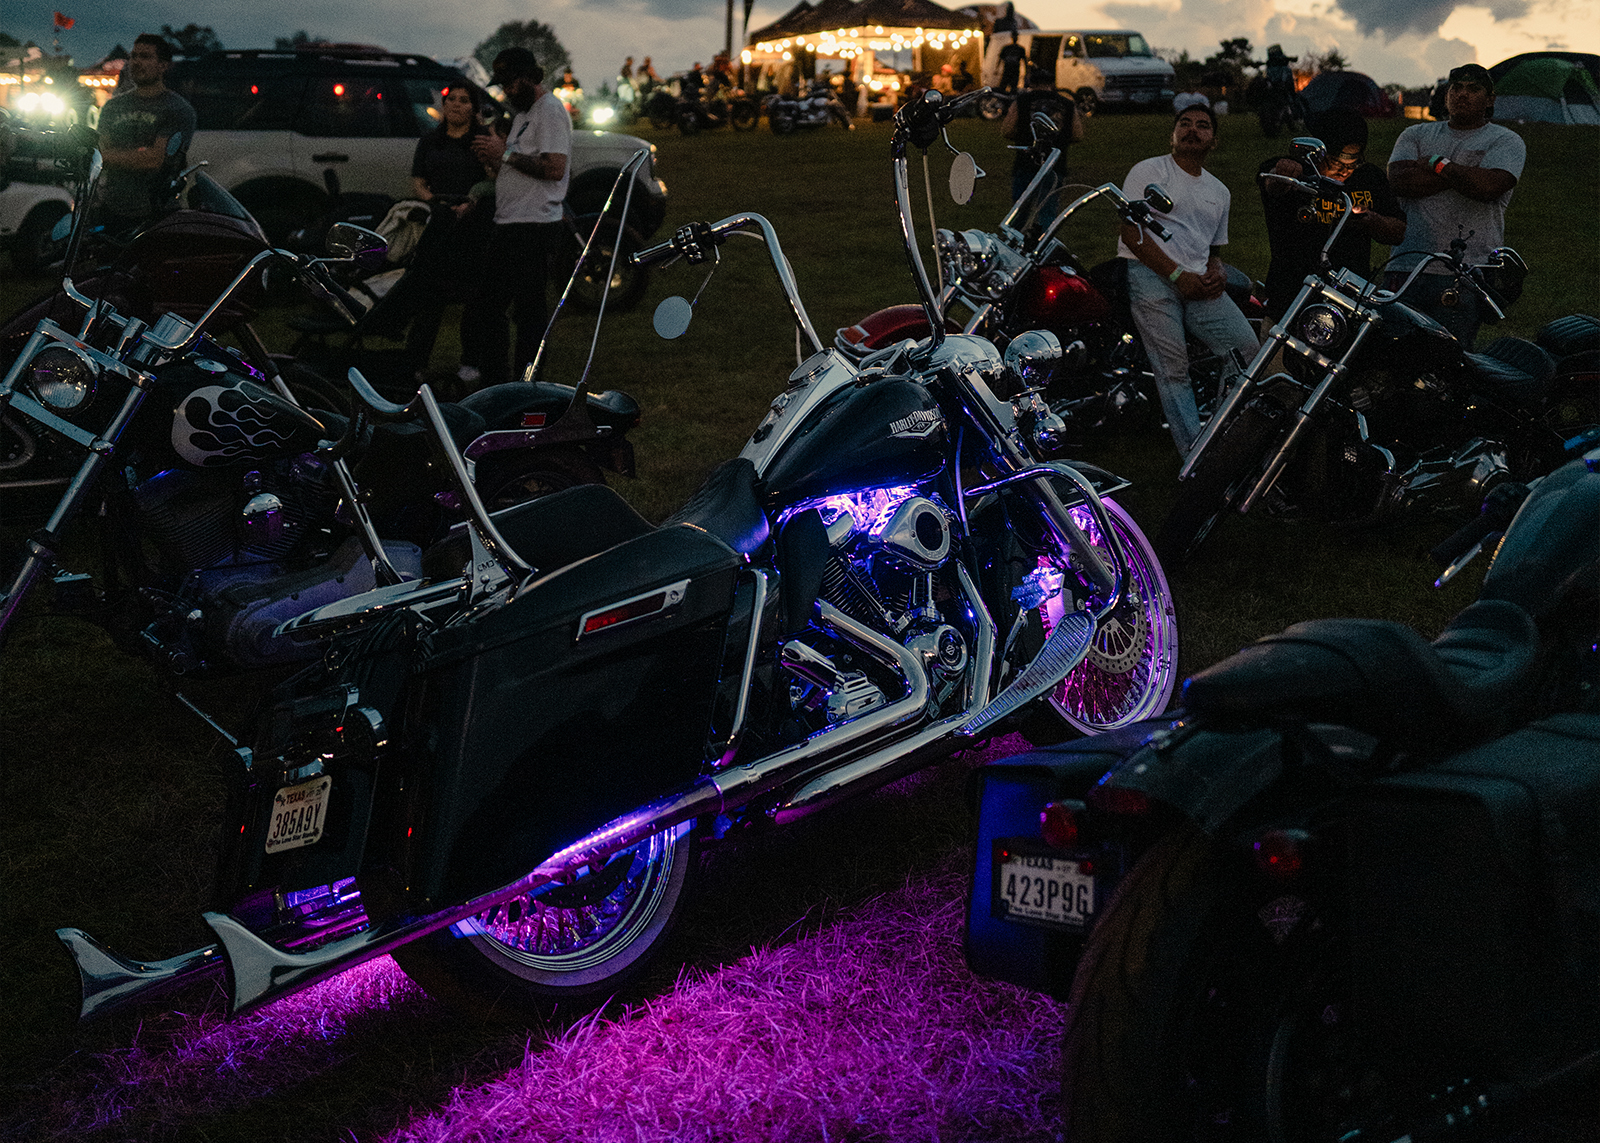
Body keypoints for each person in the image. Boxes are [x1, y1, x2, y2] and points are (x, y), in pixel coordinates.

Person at [1117, 103, 1260, 458]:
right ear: (1173, 134)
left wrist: (1217, 268)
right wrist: (1177, 275)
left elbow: (1214, 247)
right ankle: (1195, 458)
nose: (1192, 129)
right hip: (1150, 274)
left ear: (1214, 141)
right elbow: (1131, 233)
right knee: (1173, 368)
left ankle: (1219, 434)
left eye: (1202, 125)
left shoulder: (1219, 191)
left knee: (1247, 350)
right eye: (1184, 123)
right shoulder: (1148, 171)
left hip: (1199, 283)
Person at [1385, 62, 1525, 348]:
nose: (1462, 94)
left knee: (1449, 358)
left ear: (1490, 99)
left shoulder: (1506, 140)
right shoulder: (1415, 134)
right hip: (1406, 265)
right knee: (1390, 354)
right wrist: (1466, 173)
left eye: (1473, 89)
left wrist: (1437, 163)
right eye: (1456, 88)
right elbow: (1400, 182)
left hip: (1466, 273)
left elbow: (1488, 188)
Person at [460, 48, 571, 388]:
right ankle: (497, 379)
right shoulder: (524, 114)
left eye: (511, 83)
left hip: (534, 225)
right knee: (489, 305)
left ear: (529, 77)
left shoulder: (550, 111)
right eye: (503, 84)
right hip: (510, 221)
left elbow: (554, 168)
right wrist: (493, 160)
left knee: (527, 311)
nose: (507, 91)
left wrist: (504, 154)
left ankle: (526, 383)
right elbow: (516, 164)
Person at [1259, 108, 1406, 321]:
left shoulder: (1369, 178)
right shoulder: (1297, 173)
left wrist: (1370, 220)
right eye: (1335, 163)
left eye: (1353, 163)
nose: (1345, 171)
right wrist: (1284, 173)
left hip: (1348, 301)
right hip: (1291, 299)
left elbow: (1398, 231)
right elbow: (1272, 184)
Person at [402, 83, 493, 376]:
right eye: (451, 99)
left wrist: (471, 202)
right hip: (439, 223)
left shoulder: (482, 140)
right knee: (430, 294)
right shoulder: (430, 141)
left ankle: (471, 362)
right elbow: (418, 181)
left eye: (464, 100)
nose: (456, 104)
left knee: (475, 296)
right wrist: (434, 202)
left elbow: (493, 177)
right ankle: (416, 363)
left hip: (474, 224)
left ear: (474, 108)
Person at [95, 33, 196, 227]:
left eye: (146, 57)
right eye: (134, 56)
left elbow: (154, 160)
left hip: (157, 213)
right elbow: (99, 152)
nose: (136, 62)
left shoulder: (177, 109)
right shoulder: (113, 107)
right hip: (112, 210)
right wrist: (134, 155)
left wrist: (108, 156)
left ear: (163, 66)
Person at [1002, 66, 1077, 207]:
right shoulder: (1067, 103)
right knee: (1048, 208)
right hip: (1055, 163)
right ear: (1052, 83)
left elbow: (1007, 130)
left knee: (1020, 209)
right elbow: (1077, 134)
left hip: (1025, 163)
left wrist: (1022, 136)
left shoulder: (1021, 101)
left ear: (1031, 83)